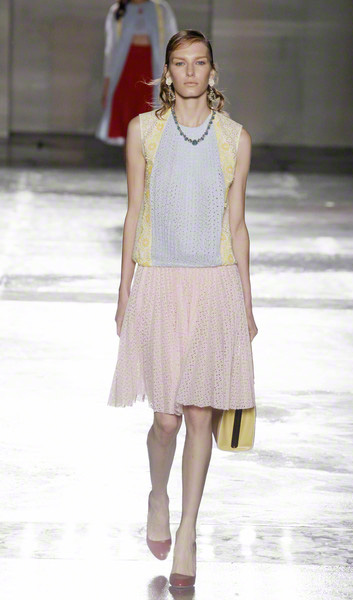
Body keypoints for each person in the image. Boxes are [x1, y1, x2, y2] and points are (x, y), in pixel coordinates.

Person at [107, 29, 258, 589]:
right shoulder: (143, 131)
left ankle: (188, 530)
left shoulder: (234, 138)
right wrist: (124, 290)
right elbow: (134, 212)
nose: (190, 72)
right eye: (179, 63)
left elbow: (237, 225)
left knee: (199, 415)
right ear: (167, 72)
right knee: (166, 420)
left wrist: (246, 302)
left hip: (214, 285)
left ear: (212, 72)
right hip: (159, 284)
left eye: (199, 63)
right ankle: (158, 495)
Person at [95, 0, 178, 156]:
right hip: (125, 73)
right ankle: (132, 168)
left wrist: (174, 79)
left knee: (150, 122)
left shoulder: (161, 10)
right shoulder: (118, 11)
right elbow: (111, 50)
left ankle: (146, 168)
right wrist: (107, 87)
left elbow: (173, 45)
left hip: (152, 72)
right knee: (128, 123)